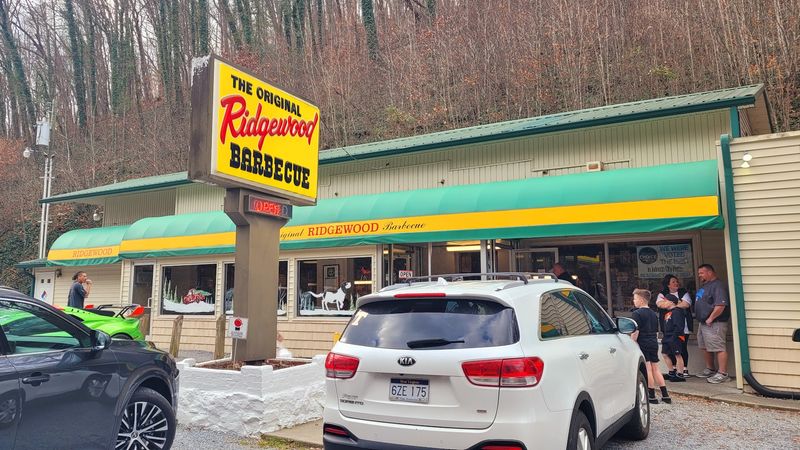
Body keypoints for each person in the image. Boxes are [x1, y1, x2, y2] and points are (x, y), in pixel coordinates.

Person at [630, 289, 671, 404]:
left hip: (643, 342)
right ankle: (665, 394)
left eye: (635, 298)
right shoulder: (653, 313)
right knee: (656, 368)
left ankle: (651, 394)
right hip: (653, 341)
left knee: (648, 368)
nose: (634, 301)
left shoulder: (636, 314)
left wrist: (632, 342)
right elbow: (656, 330)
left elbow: (635, 332)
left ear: (641, 300)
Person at [694, 264, 731, 384]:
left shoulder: (718, 286)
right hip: (703, 322)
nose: (699, 275)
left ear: (710, 272)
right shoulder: (706, 285)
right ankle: (710, 369)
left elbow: (720, 305)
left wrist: (710, 318)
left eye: (701, 273)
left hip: (715, 323)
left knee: (718, 347)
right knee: (705, 346)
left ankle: (723, 373)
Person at [656, 274, 693, 379]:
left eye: (677, 281)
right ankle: (672, 370)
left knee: (681, 349)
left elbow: (686, 304)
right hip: (668, 330)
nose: (676, 283)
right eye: (673, 282)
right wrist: (677, 304)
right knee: (667, 351)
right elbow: (660, 304)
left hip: (680, 330)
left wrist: (674, 306)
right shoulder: (663, 294)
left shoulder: (682, 293)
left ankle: (682, 371)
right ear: (668, 284)